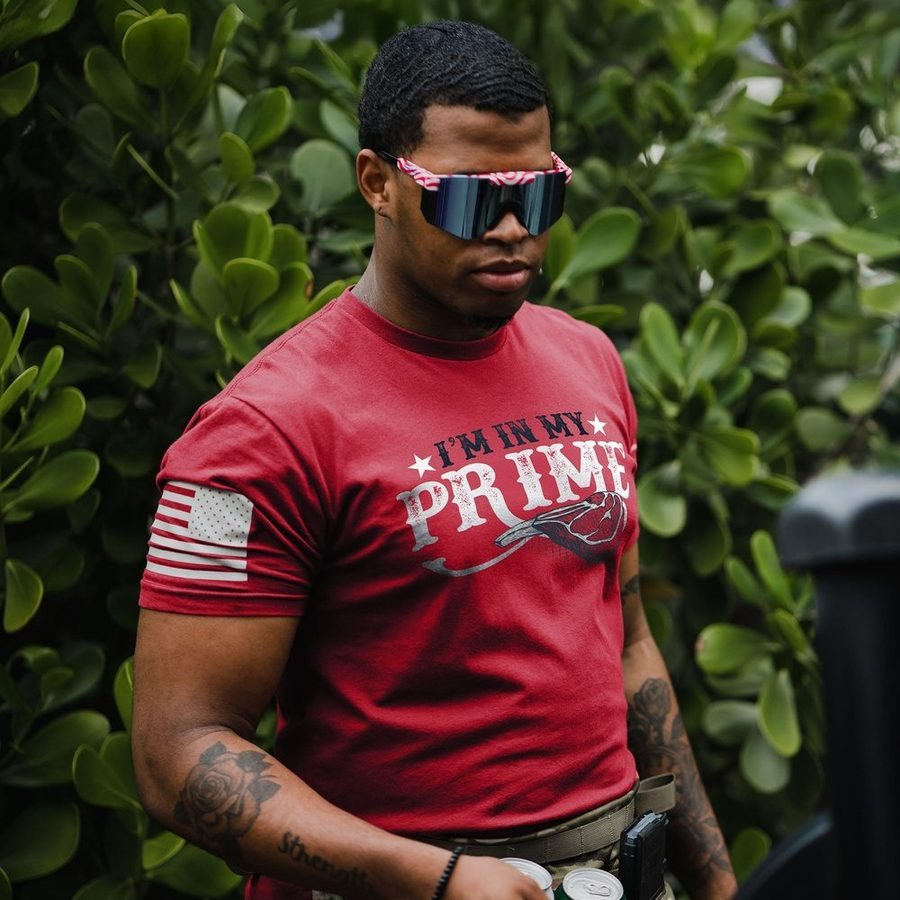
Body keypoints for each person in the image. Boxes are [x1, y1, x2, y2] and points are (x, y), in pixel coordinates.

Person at [132, 20, 738, 900]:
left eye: (538, 196)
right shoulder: (262, 431)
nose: (511, 230)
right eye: (468, 200)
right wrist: (439, 879)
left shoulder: (587, 361)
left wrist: (713, 880)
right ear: (377, 183)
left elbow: (630, 641)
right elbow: (178, 752)